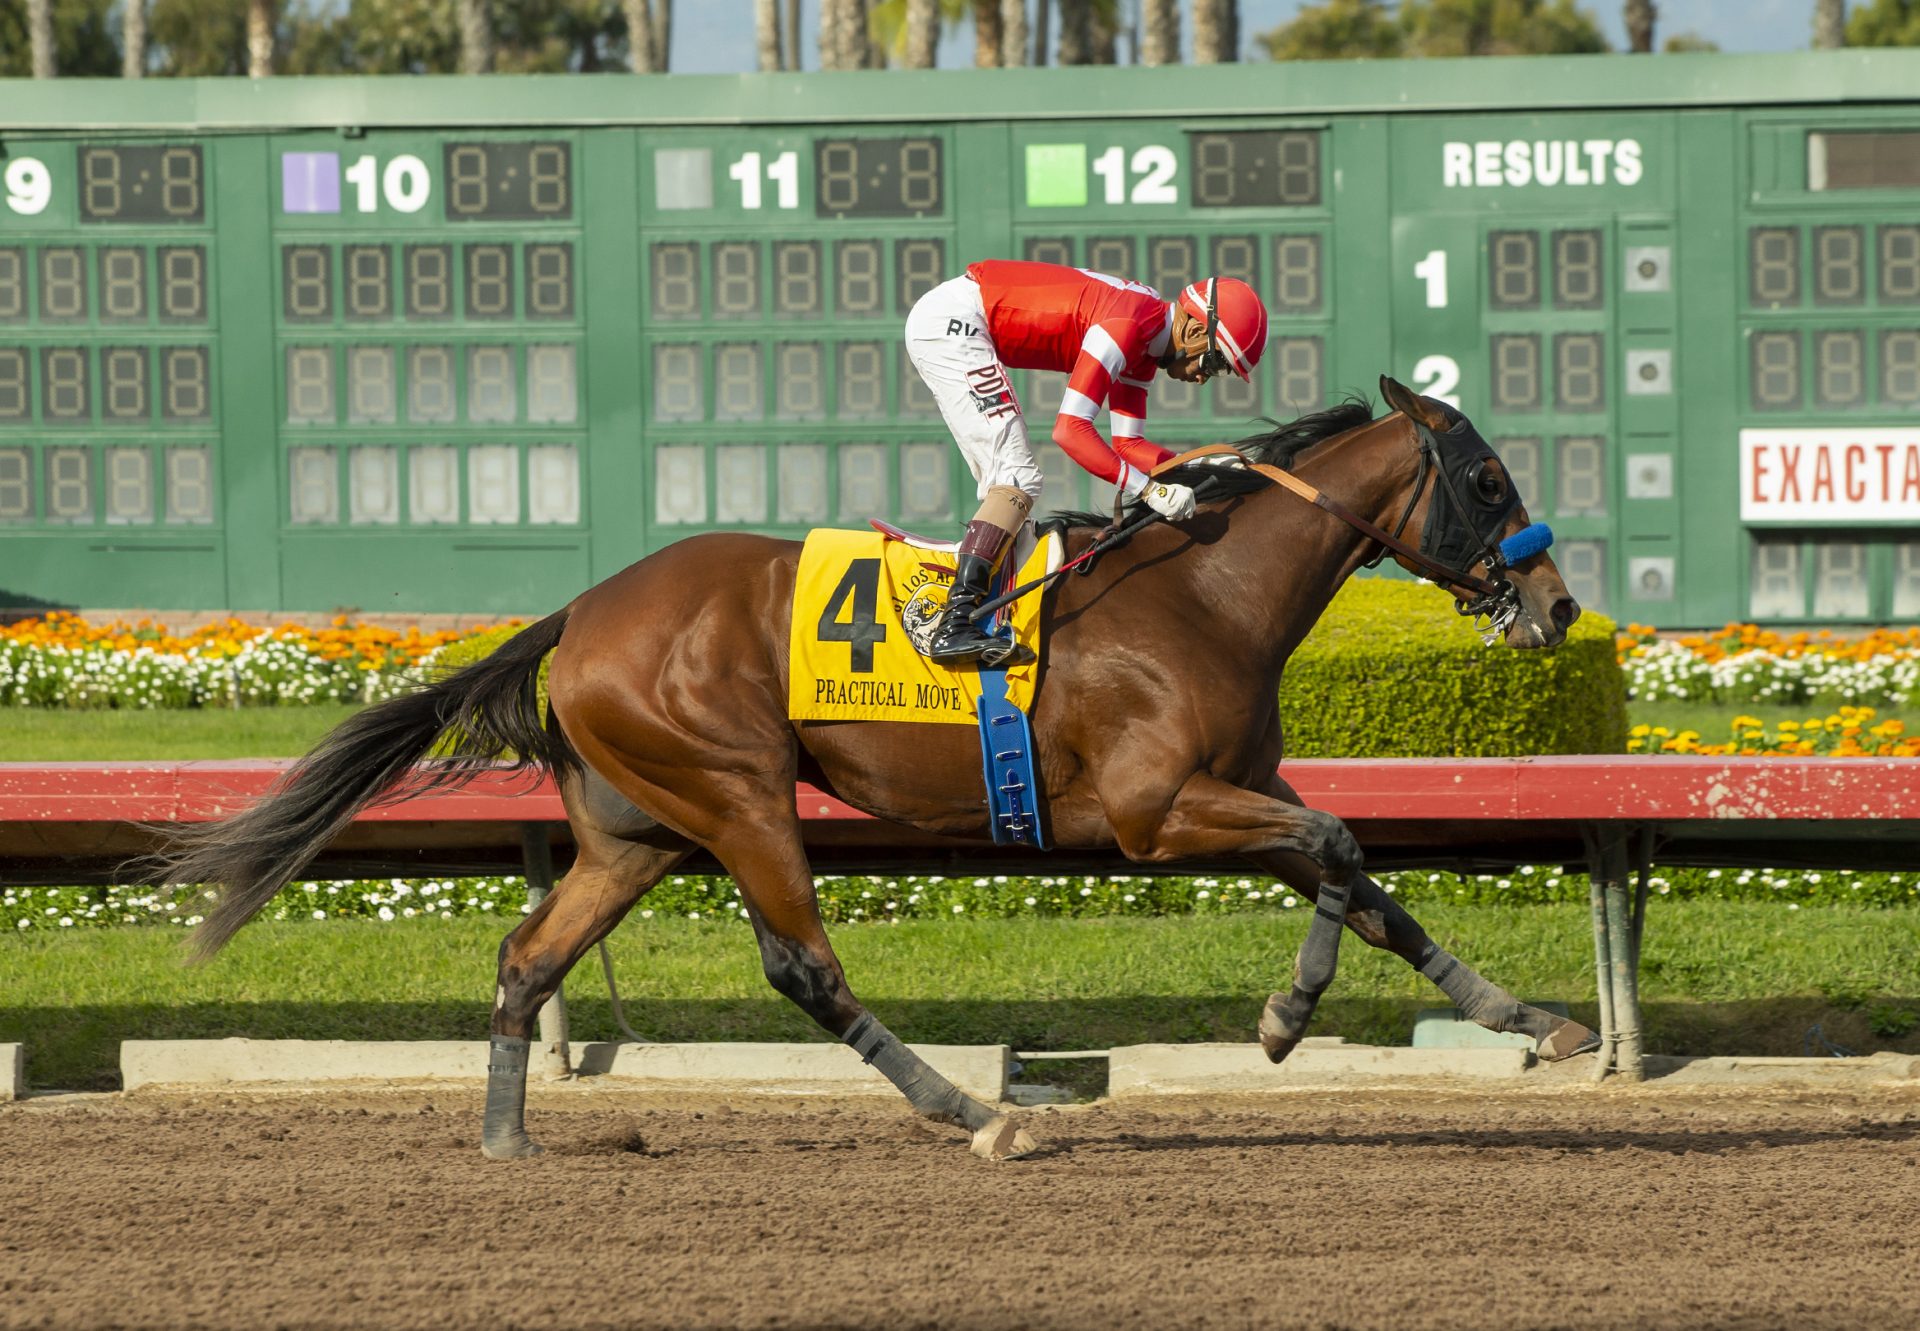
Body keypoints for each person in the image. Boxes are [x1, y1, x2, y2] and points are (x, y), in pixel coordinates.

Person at [903, 259, 1269, 667]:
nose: (1205, 378)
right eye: (1215, 362)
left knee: (1011, 481)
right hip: (955, 322)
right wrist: (1148, 490)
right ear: (1197, 329)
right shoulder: (1128, 324)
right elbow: (1070, 431)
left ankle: (977, 610)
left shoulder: (1146, 340)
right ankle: (954, 622)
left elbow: (1128, 445)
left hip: (959, 320)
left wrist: (1203, 467)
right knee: (1016, 477)